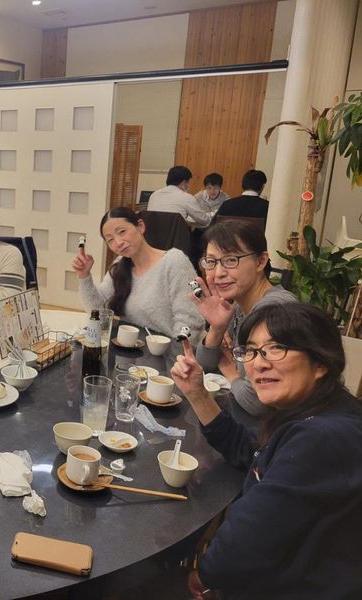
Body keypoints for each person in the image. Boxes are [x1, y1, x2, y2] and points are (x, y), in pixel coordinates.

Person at [170, 302, 362, 599]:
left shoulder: (321, 439)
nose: (258, 364)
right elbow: (250, 450)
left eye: (276, 349)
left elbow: (249, 537)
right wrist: (197, 394)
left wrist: (204, 575)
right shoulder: (323, 411)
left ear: (321, 362)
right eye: (252, 351)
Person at [192, 220, 296, 417]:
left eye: (231, 260)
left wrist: (231, 373)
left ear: (260, 262)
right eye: (211, 262)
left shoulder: (273, 310)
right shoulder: (241, 303)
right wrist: (217, 328)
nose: (219, 273)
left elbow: (258, 401)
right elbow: (204, 365)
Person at [72, 207, 203, 339]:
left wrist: (176, 350)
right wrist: (84, 276)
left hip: (169, 349)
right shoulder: (120, 265)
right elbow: (98, 312)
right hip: (128, 348)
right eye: (110, 240)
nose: (118, 243)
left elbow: (190, 320)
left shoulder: (175, 261)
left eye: (122, 232)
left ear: (140, 226)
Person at [147, 165, 213, 228]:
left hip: (151, 235)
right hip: (175, 235)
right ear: (183, 183)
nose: (188, 186)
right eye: (188, 183)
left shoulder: (154, 195)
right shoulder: (186, 197)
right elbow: (204, 221)